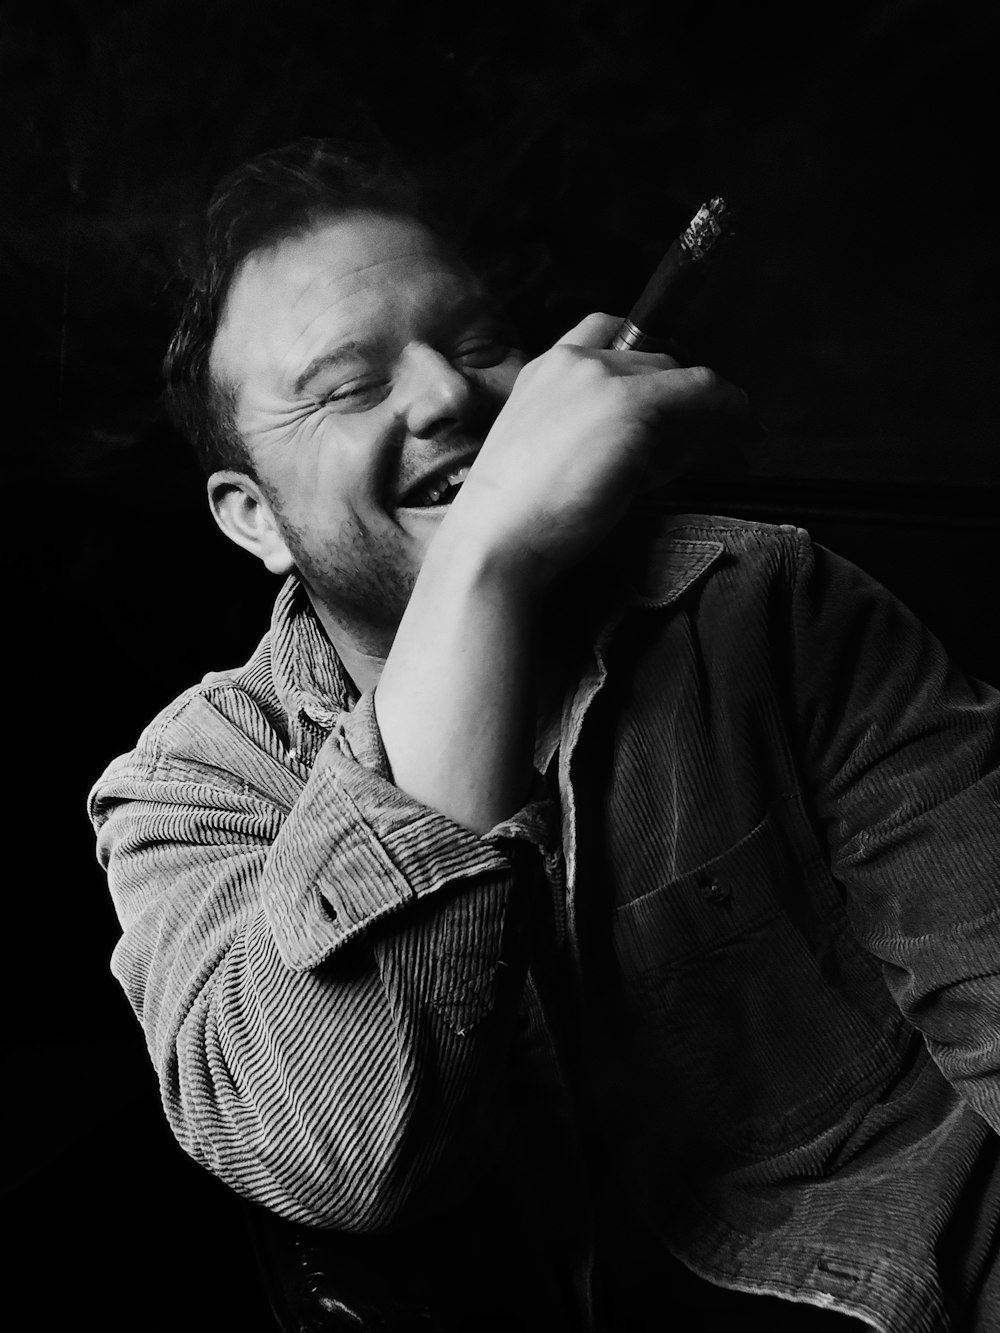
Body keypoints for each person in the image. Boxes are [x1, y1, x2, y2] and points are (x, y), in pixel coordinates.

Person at [89, 137, 998, 1331]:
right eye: (350, 385)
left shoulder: (770, 603)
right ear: (252, 517)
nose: (449, 395)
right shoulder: (191, 785)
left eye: (474, 345)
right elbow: (331, 1151)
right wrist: (486, 564)